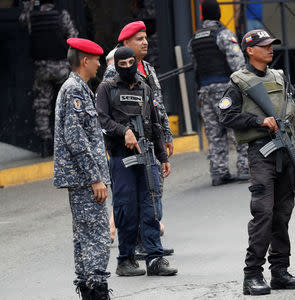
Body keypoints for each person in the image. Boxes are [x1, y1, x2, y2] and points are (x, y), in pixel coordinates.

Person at [219, 29, 295, 296]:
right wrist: (258, 121)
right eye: (264, 45)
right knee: (263, 214)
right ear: (250, 50)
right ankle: (252, 275)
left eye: (272, 45)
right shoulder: (238, 82)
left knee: (282, 214)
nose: (271, 49)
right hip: (261, 153)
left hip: (285, 152)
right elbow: (226, 116)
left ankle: (279, 272)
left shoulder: (279, 77)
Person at [96, 46, 178, 277]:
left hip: (148, 155)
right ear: (115, 66)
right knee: (126, 209)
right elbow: (102, 120)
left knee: (151, 206)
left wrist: (162, 157)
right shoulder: (106, 89)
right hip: (122, 158)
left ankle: (155, 258)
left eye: (131, 62)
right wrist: (124, 132)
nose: (127, 67)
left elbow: (155, 124)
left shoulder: (145, 88)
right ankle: (126, 259)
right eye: (122, 64)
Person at [53, 37, 110, 299]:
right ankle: (96, 290)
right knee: (96, 236)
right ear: (85, 61)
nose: (99, 64)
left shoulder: (77, 88)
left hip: (82, 178)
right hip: (86, 179)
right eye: (96, 59)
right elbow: (75, 137)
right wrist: (94, 177)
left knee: (84, 237)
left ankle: (89, 290)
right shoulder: (74, 90)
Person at [189, 0, 249, 186]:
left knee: (214, 134)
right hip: (225, 90)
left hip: (205, 92)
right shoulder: (223, 35)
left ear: (202, 16)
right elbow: (237, 64)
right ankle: (244, 167)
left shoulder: (194, 39)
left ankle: (219, 172)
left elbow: (195, 67)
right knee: (237, 128)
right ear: (218, 14)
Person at [19, 0, 79, 157]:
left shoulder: (31, 15)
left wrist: (29, 5)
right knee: (67, 104)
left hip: (42, 68)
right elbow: (74, 37)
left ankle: (46, 145)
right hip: (61, 67)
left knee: (42, 106)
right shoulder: (61, 14)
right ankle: (69, 141)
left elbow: (22, 21)